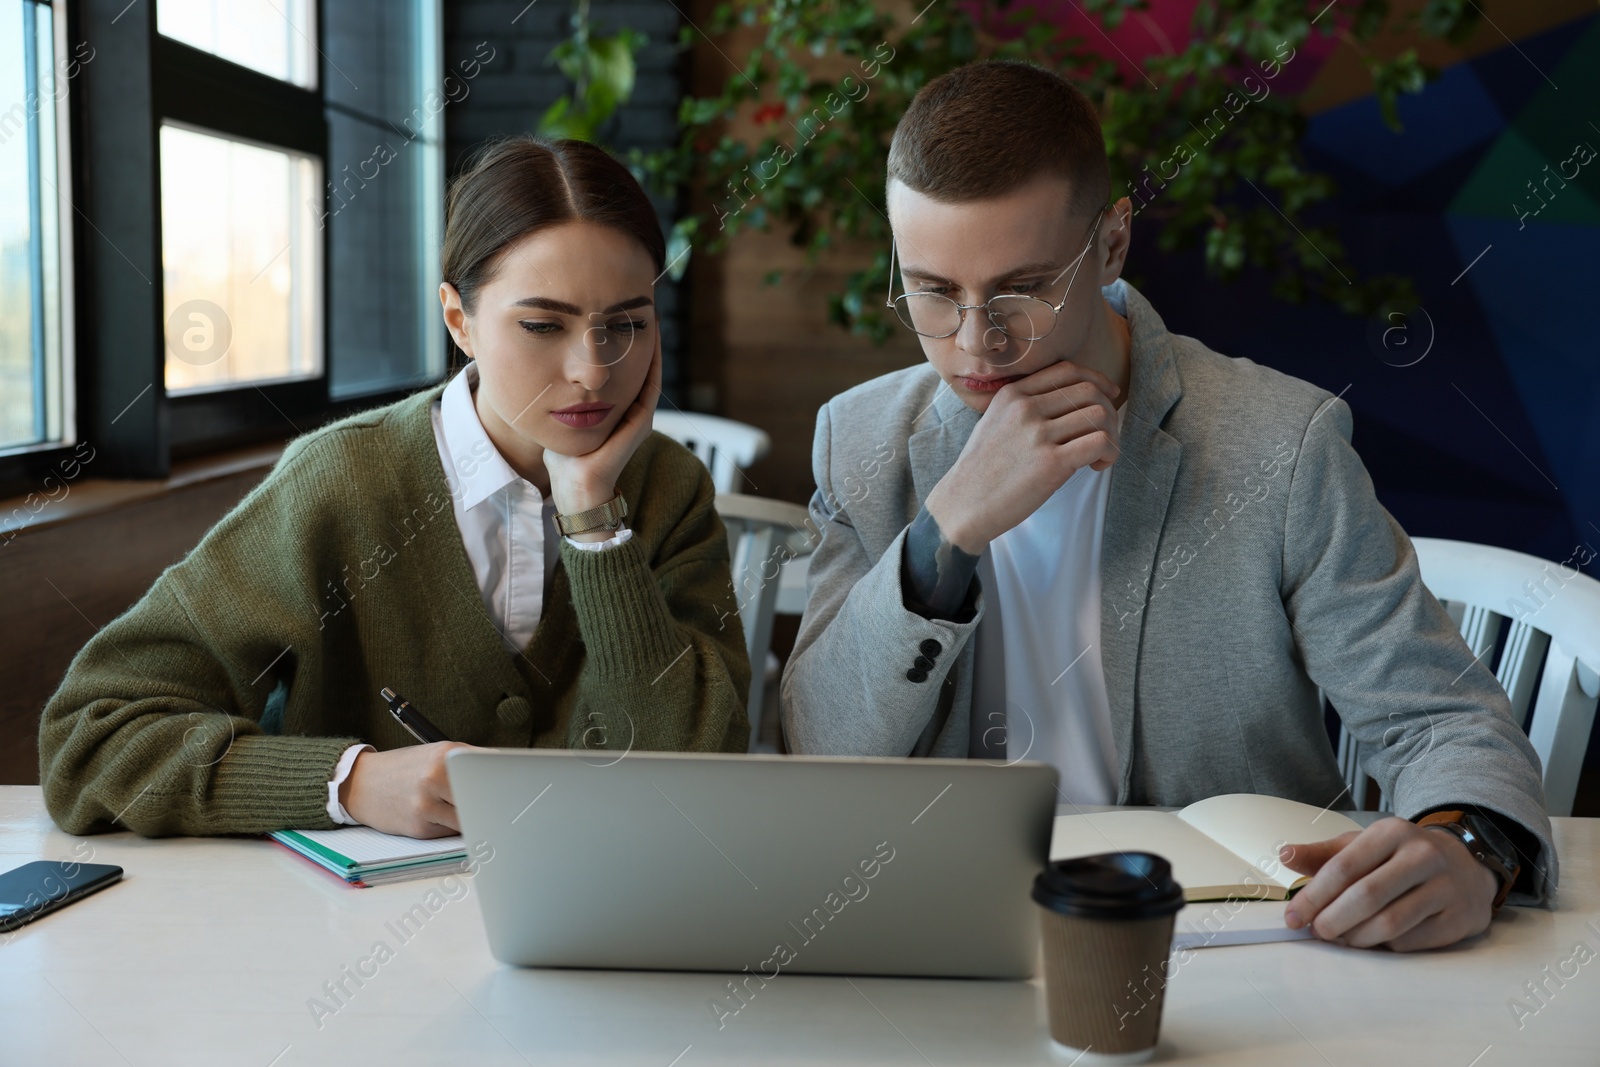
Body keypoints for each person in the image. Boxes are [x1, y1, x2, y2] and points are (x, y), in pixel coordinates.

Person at [780, 60, 1555, 951]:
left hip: (1234, 938)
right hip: (943, 926)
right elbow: (818, 750)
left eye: (1022, 288)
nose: (975, 343)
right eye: (932, 289)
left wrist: (1467, 843)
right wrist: (943, 530)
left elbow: (1445, 722)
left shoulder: (1280, 444)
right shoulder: (861, 440)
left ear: (1112, 245)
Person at [39, 137, 750, 840]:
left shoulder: (669, 488)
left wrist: (595, 523)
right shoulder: (340, 482)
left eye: (625, 324)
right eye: (542, 324)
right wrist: (350, 781)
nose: (593, 370)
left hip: (605, 927)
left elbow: (696, 771)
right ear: (458, 320)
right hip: (344, 930)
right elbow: (90, 737)